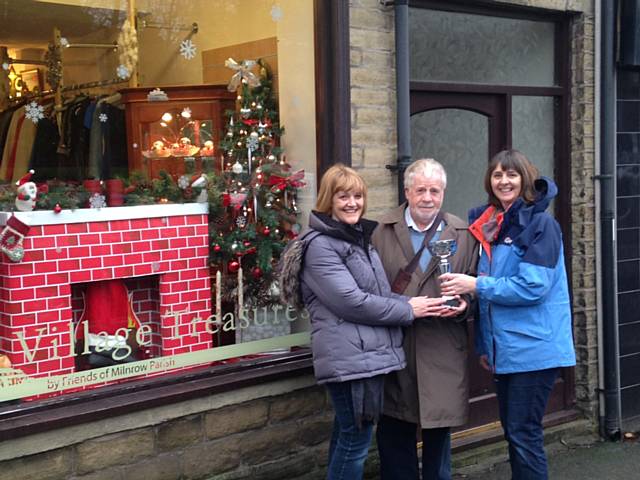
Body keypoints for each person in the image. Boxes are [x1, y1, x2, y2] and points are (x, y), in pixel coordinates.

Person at [440, 149, 576, 480]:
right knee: (515, 434)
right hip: (508, 351)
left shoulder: (541, 224)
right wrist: (486, 345)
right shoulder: (491, 224)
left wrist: (476, 285)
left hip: (535, 350)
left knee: (523, 434)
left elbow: (532, 288)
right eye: (498, 175)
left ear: (525, 179)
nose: (504, 181)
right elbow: (488, 296)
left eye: (512, 175)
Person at [298, 164, 433, 480]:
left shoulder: (355, 239)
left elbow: (379, 294)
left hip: (362, 357)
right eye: (342, 196)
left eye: (357, 196)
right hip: (350, 360)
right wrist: (408, 310)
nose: (352, 203)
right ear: (327, 200)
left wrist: (416, 304)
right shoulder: (321, 245)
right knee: (354, 445)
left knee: (348, 437)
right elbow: (353, 304)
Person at [372, 158, 478, 480]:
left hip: (442, 345)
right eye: (421, 190)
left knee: (438, 437)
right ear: (407, 191)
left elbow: (475, 284)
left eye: (435, 190)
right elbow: (367, 291)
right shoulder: (380, 231)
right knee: (394, 432)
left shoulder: (462, 232)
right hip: (396, 346)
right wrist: (404, 307)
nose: (427, 198)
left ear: (443, 193)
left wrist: (464, 305)